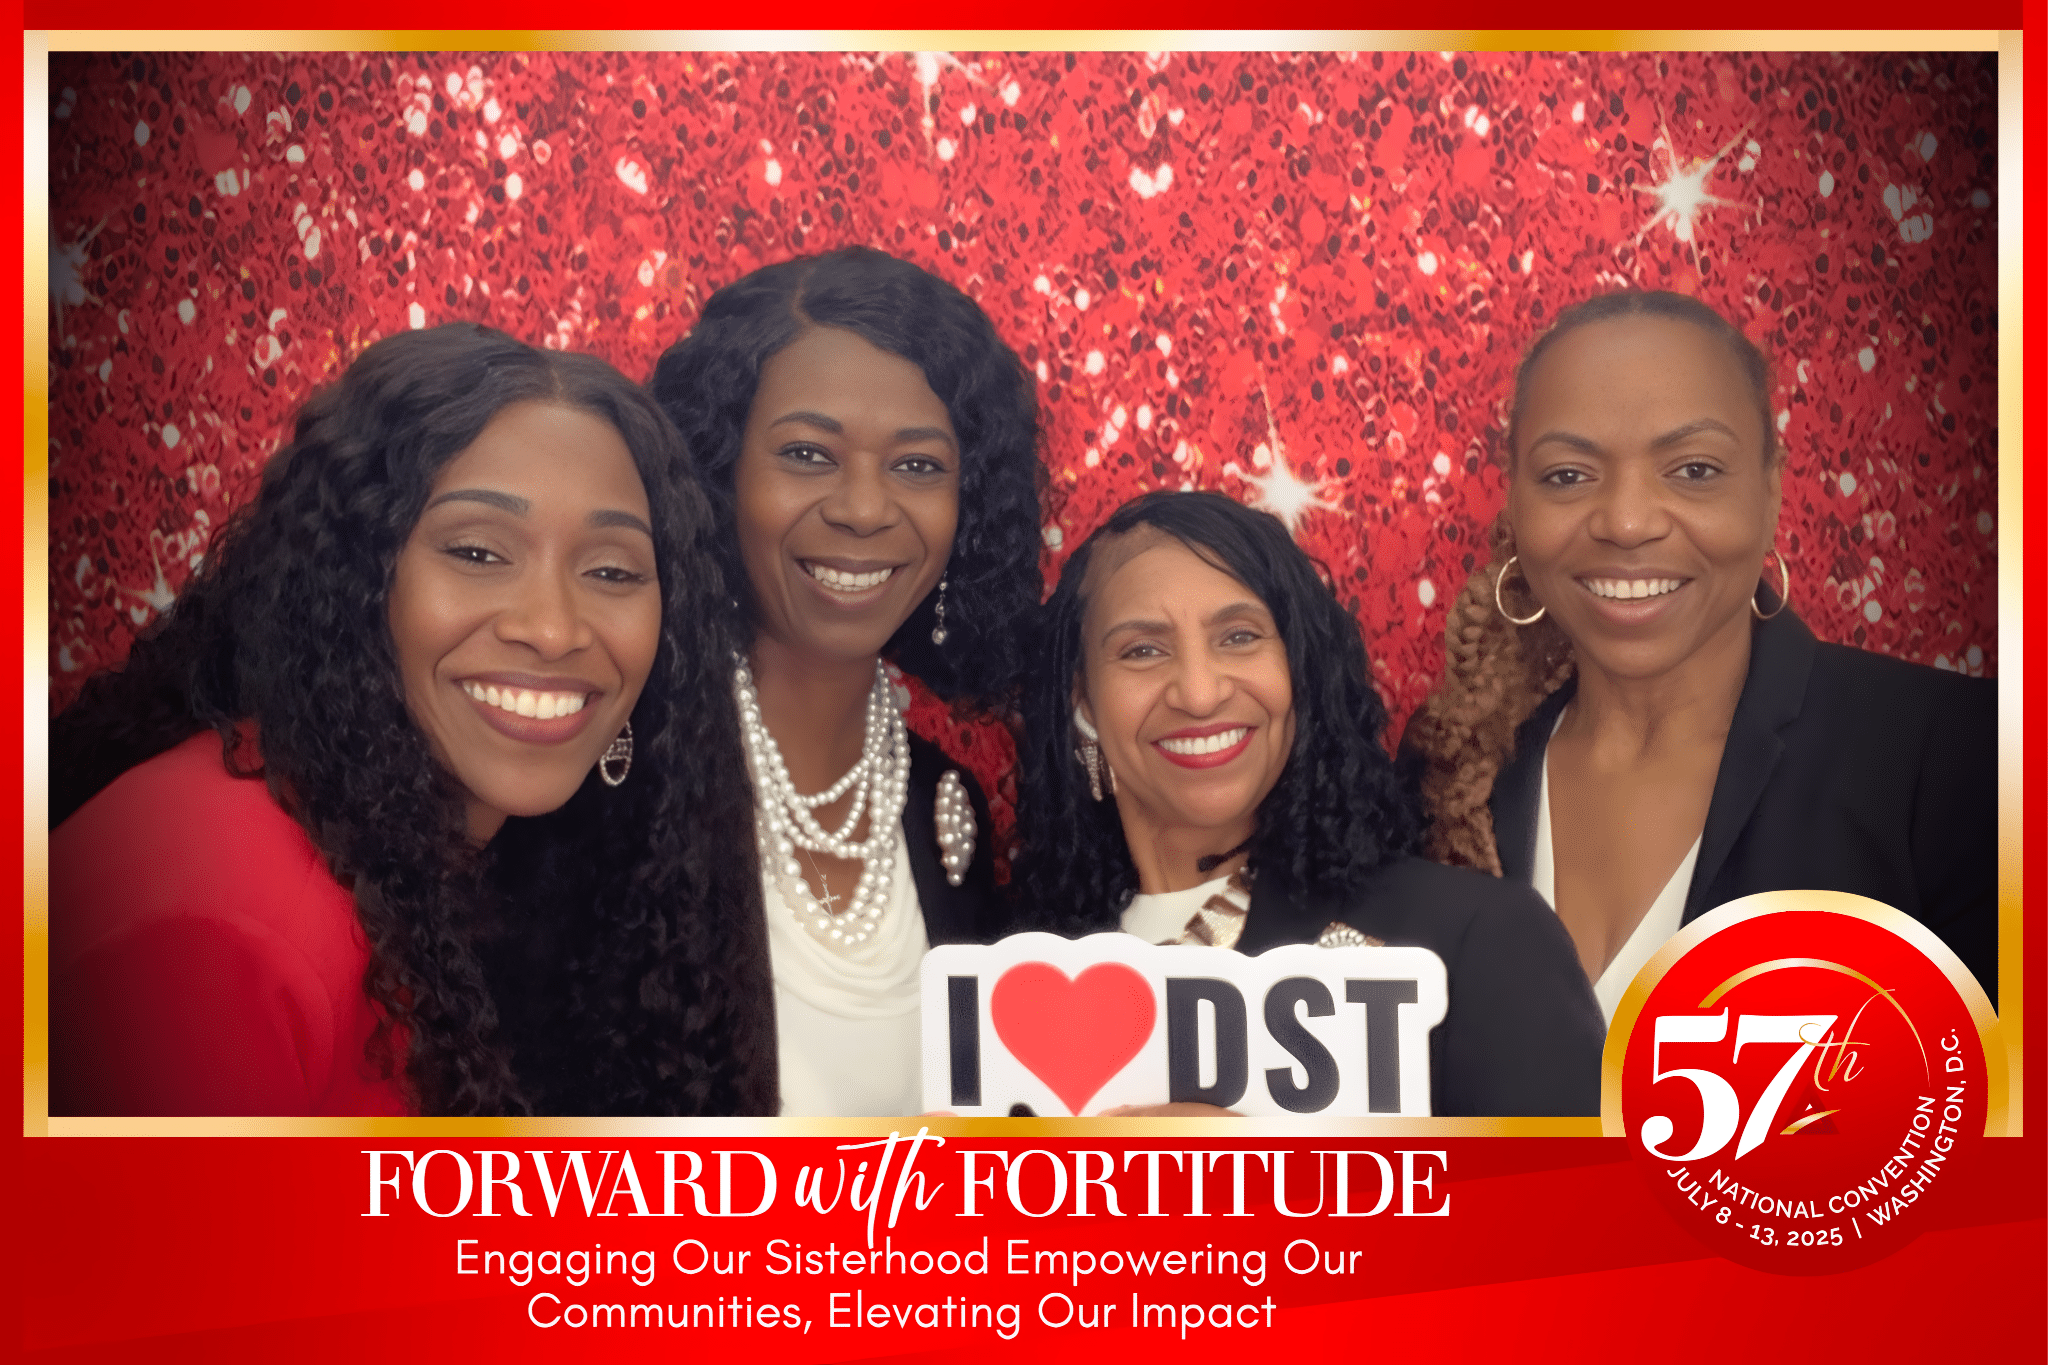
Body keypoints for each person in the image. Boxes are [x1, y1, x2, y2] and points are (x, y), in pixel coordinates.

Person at [49, 323, 771, 1116]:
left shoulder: (414, 842)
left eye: (611, 569)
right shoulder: (220, 933)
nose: (556, 627)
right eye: (477, 552)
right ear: (356, 578)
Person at [1403, 291, 1997, 1019]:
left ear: (1771, 487)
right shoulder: (1450, 770)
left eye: (1693, 470)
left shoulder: (1964, 759)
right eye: (1566, 474)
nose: (1626, 520)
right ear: (1516, 501)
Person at [1014, 491, 1605, 1118]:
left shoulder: (1477, 941)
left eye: (1239, 636)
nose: (1198, 691)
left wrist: (1258, 1175)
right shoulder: (1017, 974)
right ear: (1083, 703)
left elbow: (1591, 1214)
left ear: (1300, 671)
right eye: (1142, 650)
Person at [650, 246, 1043, 1116]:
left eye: (917, 465)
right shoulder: (622, 775)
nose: (865, 507)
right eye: (807, 453)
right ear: (718, 476)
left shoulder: (957, 802)